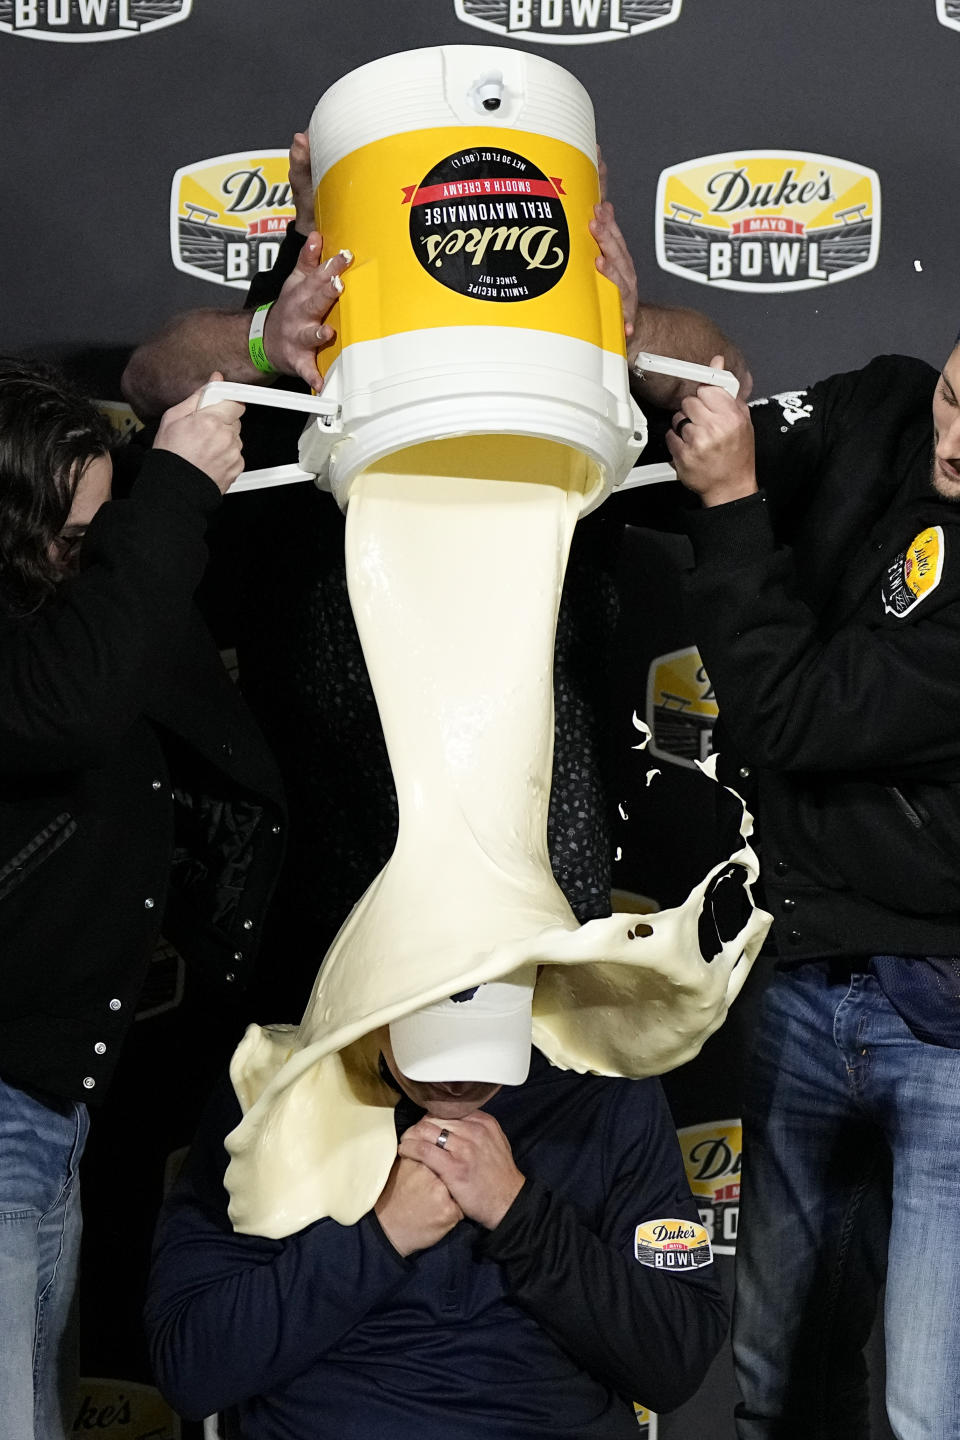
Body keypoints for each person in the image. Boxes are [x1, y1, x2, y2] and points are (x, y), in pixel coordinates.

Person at [120, 135, 752, 1011]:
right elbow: (154, 372)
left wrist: (624, 324)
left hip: (537, 772)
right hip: (331, 768)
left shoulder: (574, 321)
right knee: (335, 1043)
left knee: (521, 1053)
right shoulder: (323, 294)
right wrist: (272, 332)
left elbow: (720, 368)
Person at [665, 346, 960, 1439]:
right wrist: (617, 318)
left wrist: (735, 503)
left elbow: (794, 717)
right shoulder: (884, 400)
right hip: (805, 982)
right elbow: (692, 436)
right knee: (777, 1387)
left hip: (947, 1028)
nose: (955, 443)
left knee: (932, 1413)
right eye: (954, 399)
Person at [0, 358, 288, 1440]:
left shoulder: (67, 617)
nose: (90, 564)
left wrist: (271, 324)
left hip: (44, 1112)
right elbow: (71, 704)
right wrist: (170, 490)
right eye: (73, 541)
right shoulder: (48, 658)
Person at [145, 982, 728, 1439]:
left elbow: (672, 1363)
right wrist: (379, 1238)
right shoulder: (276, 1085)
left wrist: (519, 1213)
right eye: (432, 1047)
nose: (455, 1081)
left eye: (482, 1049)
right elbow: (191, 1366)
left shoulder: (608, 1092)